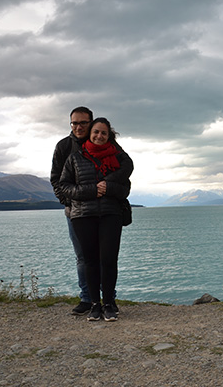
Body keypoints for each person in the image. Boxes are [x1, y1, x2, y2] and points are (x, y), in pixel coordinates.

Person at [59, 118, 133, 321]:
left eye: (104, 133)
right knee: (90, 261)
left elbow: (125, 189)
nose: (99, 136)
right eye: (96, 132)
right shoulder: (74, 158)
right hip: (83, 215)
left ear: (109, 136)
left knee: (109, 260)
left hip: (111, 214)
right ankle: (94, 305)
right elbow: (64, 186)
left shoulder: (117, 159)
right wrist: (92, 189)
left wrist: (107, 187)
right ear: (90, 133)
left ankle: (109, 304)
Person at [50, 106, 95, 315]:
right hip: (74, 212)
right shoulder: (63, 146)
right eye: (74, 123)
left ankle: (104, 299)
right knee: (82, 257)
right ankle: (86, 298)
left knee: (103, 256)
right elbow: (56, 179)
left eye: (82, 123)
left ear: (90, 123)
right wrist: (66, 202)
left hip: (100, 211)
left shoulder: (101, 141)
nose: (78, 127)